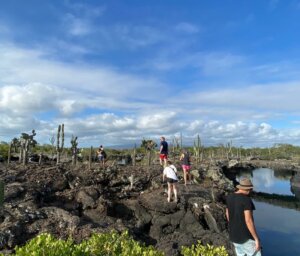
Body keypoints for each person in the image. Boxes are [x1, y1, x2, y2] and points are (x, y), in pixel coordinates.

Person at [226, 178, 262, 256]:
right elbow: (248, 221)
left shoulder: (229, 197)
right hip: (246, 238)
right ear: (248, 189)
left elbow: (228, 215)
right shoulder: (246, 200)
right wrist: (256, 239)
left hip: (234, 236)